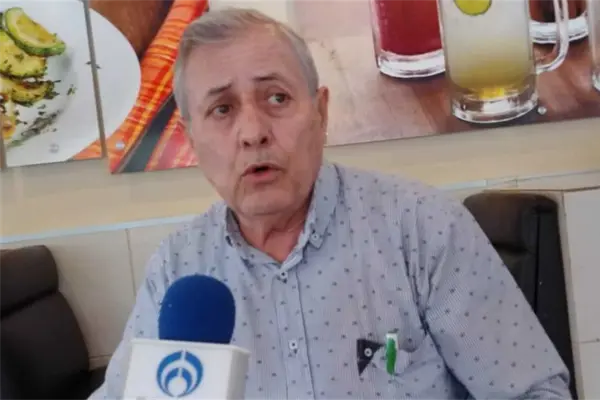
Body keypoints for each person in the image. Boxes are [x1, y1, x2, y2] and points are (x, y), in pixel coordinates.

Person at [90, 8, 571, 400]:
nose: (253, 132)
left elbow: (536, 392)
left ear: (321, 114)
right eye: (222, 109)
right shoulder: (178, 270)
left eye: (277, 98)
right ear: (192, 139)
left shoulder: (422, 230)